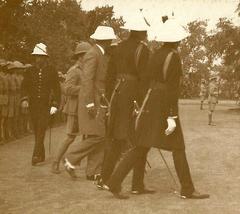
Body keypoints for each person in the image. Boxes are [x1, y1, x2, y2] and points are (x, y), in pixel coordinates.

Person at [107, 18, 210, 200]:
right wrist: (172, 116)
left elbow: (145, 82)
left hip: (150, 102)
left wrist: (143, 105)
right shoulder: (174, 57)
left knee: (141, 146)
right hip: (163, 105)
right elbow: (172, 89)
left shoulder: (155, 54)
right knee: (178, 147)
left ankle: (119, 183)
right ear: (177, 40)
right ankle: (187, 189)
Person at [97, 14, 150, 191]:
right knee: (140, 139)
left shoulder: (117, 48)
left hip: (116, 96)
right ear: (141, 32)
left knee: (116, 139)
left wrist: (110, 97)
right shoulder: (143, 50)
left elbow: (110, 76)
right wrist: (142, 104)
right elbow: (143, 80)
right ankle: (136, 185)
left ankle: (105, 178)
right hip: (133, 96)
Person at [64, 26, 116, 179]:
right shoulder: (93, 54)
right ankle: (71, 157)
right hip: (92, 101)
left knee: (99, 136)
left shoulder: (99, 53)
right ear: (106, 40)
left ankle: (93, 172)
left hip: (97, 100)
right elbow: (87, 80)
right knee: (98, 135)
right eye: (110, 40)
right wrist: (90, 104)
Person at [51, 41, 92, 174]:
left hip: (84, 109)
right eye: (87, 55)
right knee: (70, 137)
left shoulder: (88, 69)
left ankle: (71, 163)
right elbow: (67, 89)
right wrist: (84, 89)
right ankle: (56, 162)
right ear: (80, 57)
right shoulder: (74, 71)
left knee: (87, 137)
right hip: (74, 110)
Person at [21, 43, 61, 166]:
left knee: (41, 128)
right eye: (36, 56)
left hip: (45, 105)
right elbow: (24, 87)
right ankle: (41, 155)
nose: (38, 59)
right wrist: (24, 99)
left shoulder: (51, 71)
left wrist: (55, 104)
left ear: (45, 58)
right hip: (33, 105)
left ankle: (36, 155)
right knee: (36, 129)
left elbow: (57, 89)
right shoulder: (29, 71)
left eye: (41, 56)